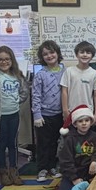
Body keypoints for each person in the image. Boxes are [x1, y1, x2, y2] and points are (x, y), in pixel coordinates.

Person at [0, 45, 29, 186]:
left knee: (13, 144)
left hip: (14, 115)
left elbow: (24, 92)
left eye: (7, 59)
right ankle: (3, 171)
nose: (4, 62)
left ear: (12, 60)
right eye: (0, 59)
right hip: (0, 117)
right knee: (1, 145)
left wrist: (16, 100)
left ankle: (14, 170)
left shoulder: (17, 75)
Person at [31, 39, 64, 182]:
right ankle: (42, 169)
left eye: (52, 52)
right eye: (45, 54)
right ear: (42, 57)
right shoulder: (41, 74)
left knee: (56, 143)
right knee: (44, 143)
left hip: (60, 114)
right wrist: (37, 114)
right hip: (44, 115)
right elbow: (36, 95)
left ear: (57, 53)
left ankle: (52, 167)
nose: (49, 56)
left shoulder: (65, 71)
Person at [56, 105, 96, 190]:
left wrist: (94, 161)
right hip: (74, 171)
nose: (84, 123)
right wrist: (74, 178)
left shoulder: (94, 135)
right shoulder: (69, 139)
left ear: (91, 122)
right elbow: (66, 161)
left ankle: (86, 184)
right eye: (80, 121)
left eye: (87, 121)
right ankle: (81, 185)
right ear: (75, 124)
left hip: (88, 169)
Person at [60, 40, 96, 130]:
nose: (85, 55)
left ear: (92, 56)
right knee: (72, 138)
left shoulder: (94, 73)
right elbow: (64, 91)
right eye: (82, 52)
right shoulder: (69, 71)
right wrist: (65, 110)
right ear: (76, 54)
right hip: (71, 111)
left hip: (88, 113)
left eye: (88, 52)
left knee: (87, 141)